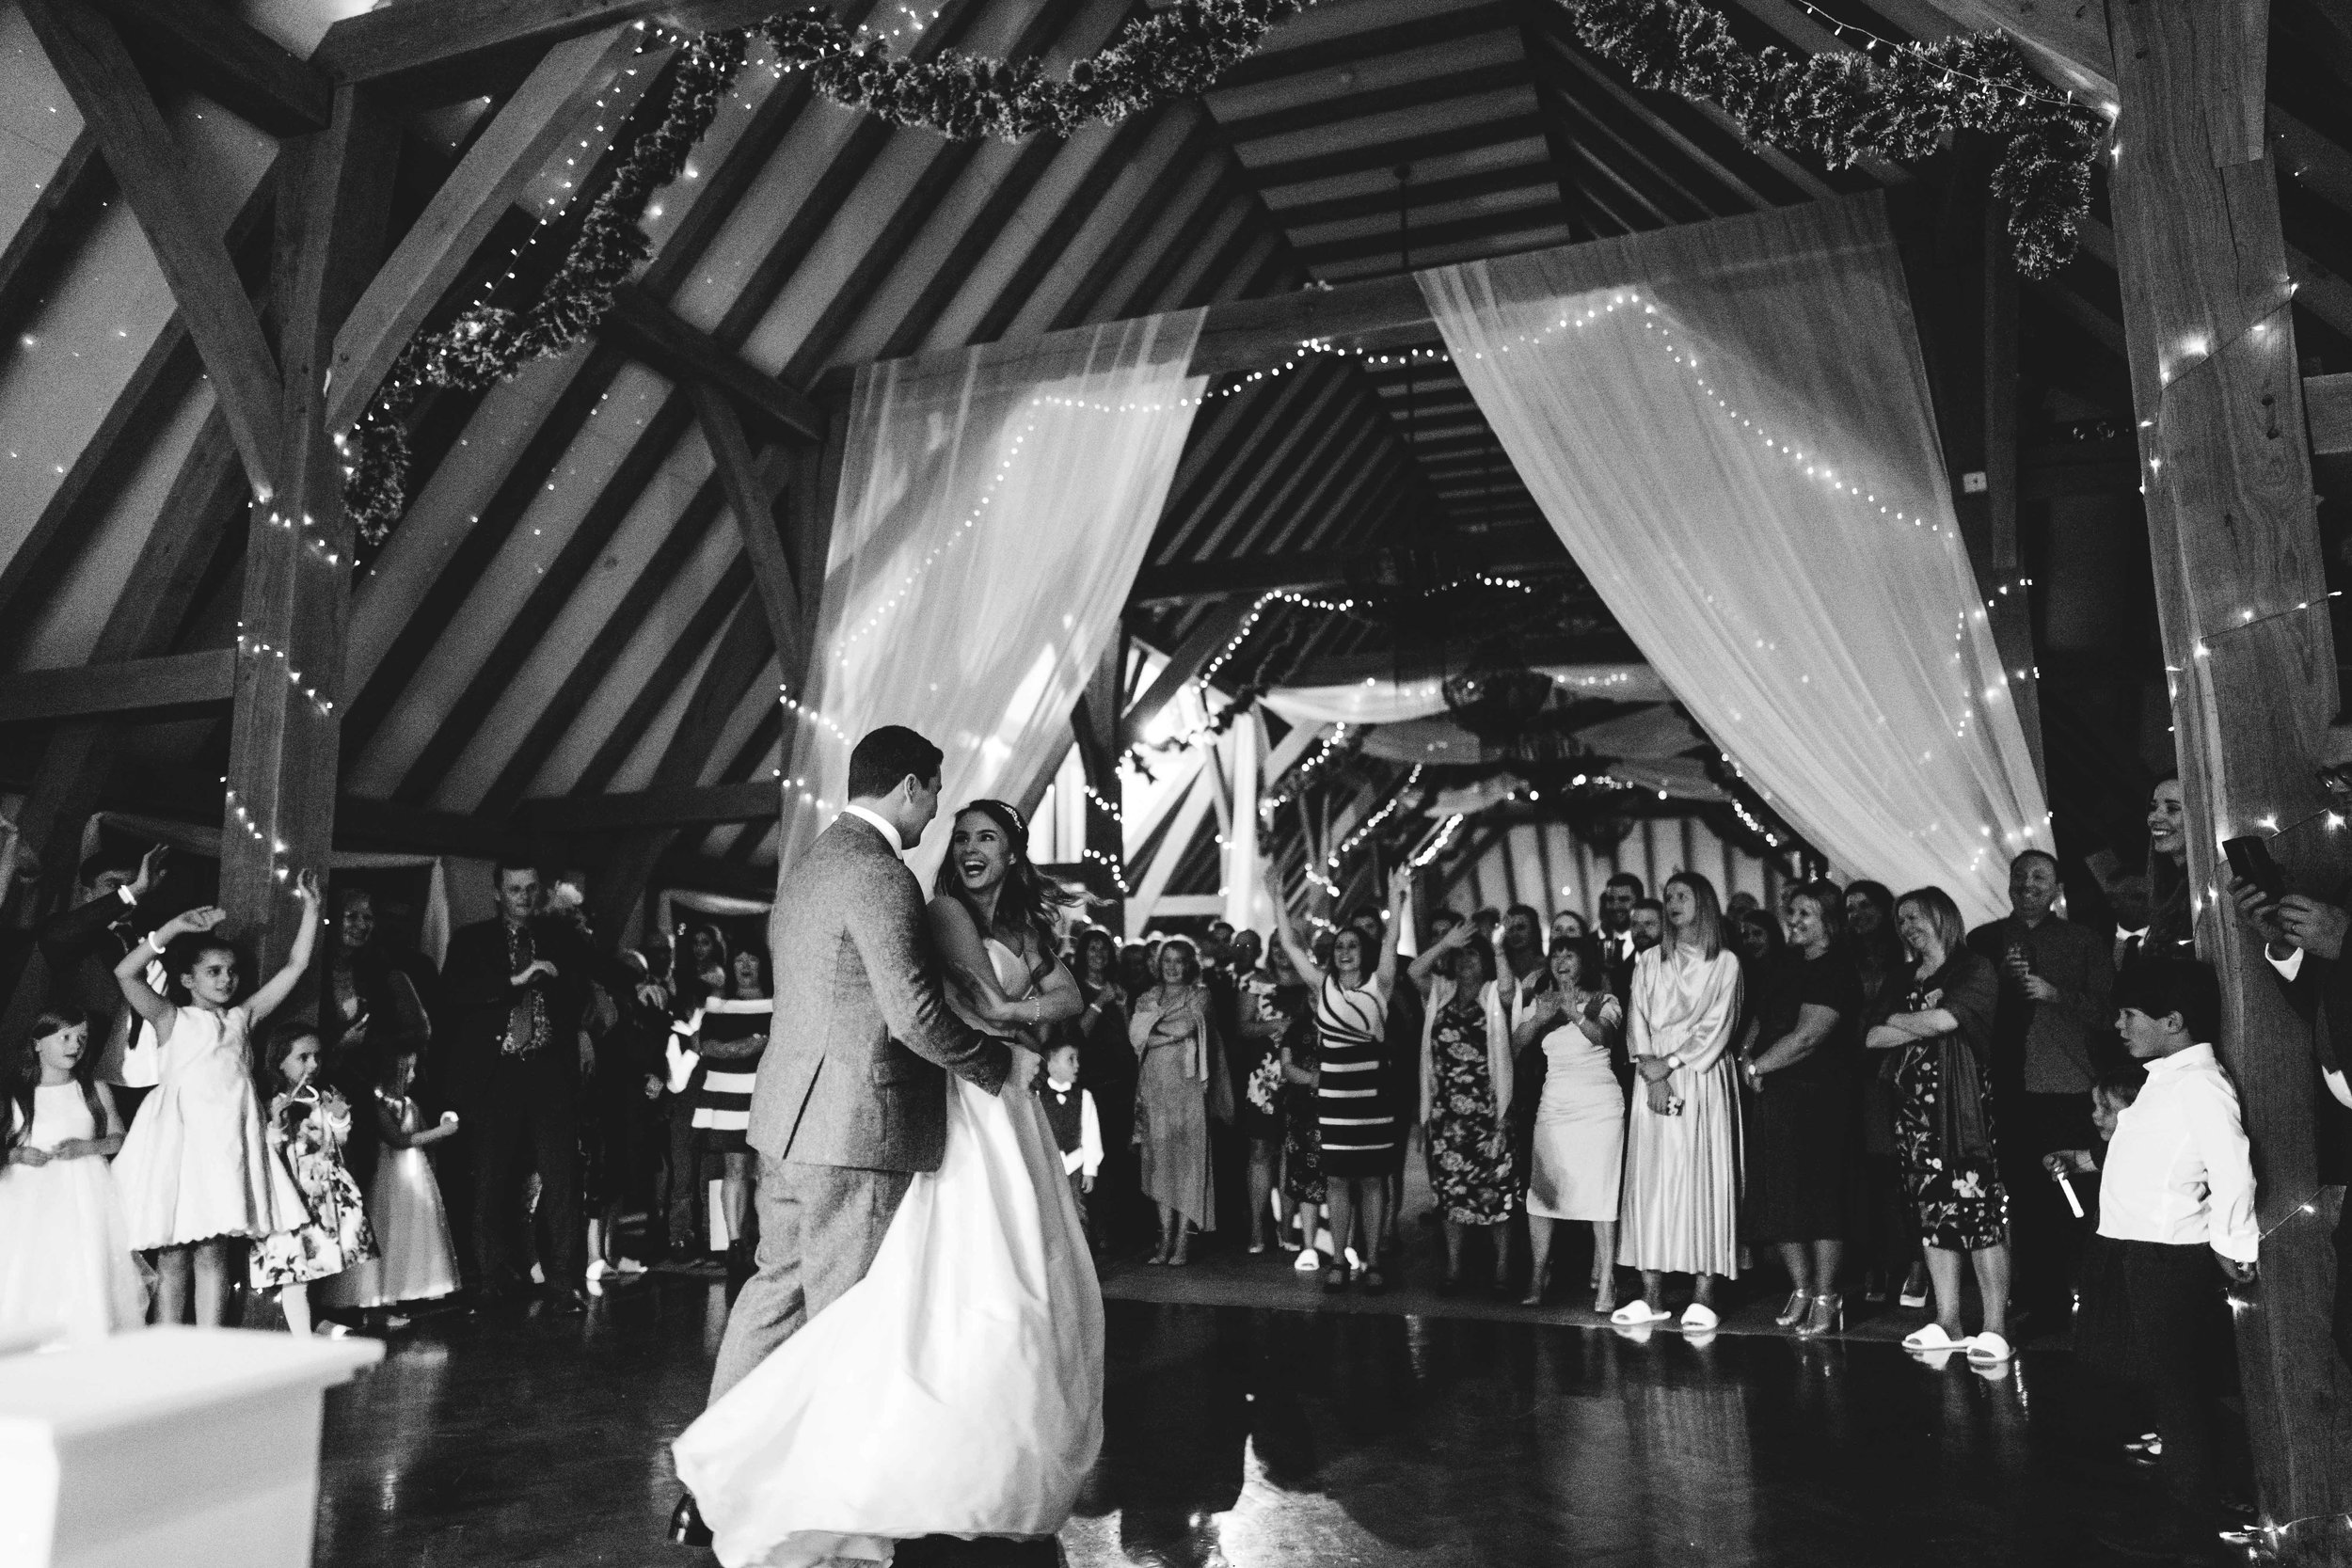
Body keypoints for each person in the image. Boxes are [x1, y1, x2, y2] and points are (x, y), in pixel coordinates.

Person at [673, 736, 1090, 1566]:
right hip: (856, 1130)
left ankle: (707, 1486)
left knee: (772, 1296)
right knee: (848, 1322)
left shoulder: (813, 863)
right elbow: (910, 1015)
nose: (937, 817)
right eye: (935, 798)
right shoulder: (881, 874)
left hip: (790, 1122)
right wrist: (993, 1065)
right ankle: (842, 1504)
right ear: (909, 787)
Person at [2073, 960, 2256, 1557]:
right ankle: (2183, 1516)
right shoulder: (2161, 1077)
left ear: (2172, 1021)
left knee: (2178, 1395)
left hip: (2168, 1257)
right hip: (2136, 1248)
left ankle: (2187, 1529)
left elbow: (2231, 1167)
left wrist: (2233, 1243)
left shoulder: (2200, 1083)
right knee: (2165, 1390)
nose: (2119, 1024)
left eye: (2131, 1014)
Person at [111, 876, 321, 1327]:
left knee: (213, 1252)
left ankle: (209, 1347)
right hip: (179, 1146)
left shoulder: (242, 1018)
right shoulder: (171, 1016)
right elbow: (125, 972)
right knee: (171, 1254)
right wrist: (171, 930)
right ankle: (168, 1345)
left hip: (224, 1147)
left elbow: (295, 966)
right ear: (187, 979)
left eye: (231, 972)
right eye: (214, 971)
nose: (226, 979)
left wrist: (310, 910)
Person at [1965, 848, 2115, 1328]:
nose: (2028, 884)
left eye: (2039, 877)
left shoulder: (2085, 941)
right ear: (2008, 883)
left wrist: (2056, 995)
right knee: (2022, 1196)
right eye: (2020, 876)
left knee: (2073, 1195)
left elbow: (2108, 1014)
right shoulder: (1984, 940)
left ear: (2056, 889)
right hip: (2004, 1087)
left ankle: (2091, 1298)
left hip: (2064, 1082)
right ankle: (2037, 1299)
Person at [1867, 886, 2013, 1363]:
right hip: (1913, 1115)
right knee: (1933, 1216)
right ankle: (1947, 1319)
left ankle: (1994, 1326)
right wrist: (1914, 1017)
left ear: (1943, 917)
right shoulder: (1902, 975)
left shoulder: (1973, 967)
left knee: (1979, 1216)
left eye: (1916, 917)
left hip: (1963, 1108)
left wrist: (1904, 1020)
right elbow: (1872, 1036)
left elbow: (1950, 1021)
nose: (1908, 927)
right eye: (1901, 920)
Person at [440, 862, 591, 1313]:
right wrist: (513, 982)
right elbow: (453, 995)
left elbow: (583, 992)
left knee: (562, 1179)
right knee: (490, 1179)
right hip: (497, 1071)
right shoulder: (472, 940)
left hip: (548, 1069)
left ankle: (564, 1284)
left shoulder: (562, 939)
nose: (523, 897)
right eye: (513, 889)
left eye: (530, 889)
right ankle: (490, 1281)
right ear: (496, 893)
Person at [1612, 872, 1743, 1331]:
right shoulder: (1648, 960)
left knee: (1701, 1175)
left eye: (1682, 896)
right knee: (1651, 1180)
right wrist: (1651, 1071)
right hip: (1652, 1076)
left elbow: (1717, 1026)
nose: (1672, 903)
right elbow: (1637, 1017)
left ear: (1703, 902)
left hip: (1699, 1076)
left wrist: (1668, 1063)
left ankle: (1705, 1293)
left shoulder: (1724, 962)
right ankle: (1650, 1293)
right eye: (1667, 897)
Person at [1277, 867, 1412, 1293]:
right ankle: (1338, 1259)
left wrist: (1397, 898)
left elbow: (1391, 941)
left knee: (1371, 1179)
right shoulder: (1322, 986)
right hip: (1333, 1094)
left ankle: (1372, 1261)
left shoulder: (1380, 986)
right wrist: (1276, 898)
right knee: (1336, 1179)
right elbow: (1289, 944)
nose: (1345, 951)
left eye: (1353, 945)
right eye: (1339, 946)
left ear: (1364, 951)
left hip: (1372, 1096)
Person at [1739, 880, 1861, 1336]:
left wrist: (1759, 1066)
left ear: (1828, 920)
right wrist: (1746, 1056)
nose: (1793, 920)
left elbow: (1810, 1035)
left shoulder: (1835, 969)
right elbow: (1759, 1016)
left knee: (1819, 1197)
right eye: (1792, 912)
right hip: (1773, 1091)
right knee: (1779, 1195)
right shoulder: (1785, 965)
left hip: (1818, 1096)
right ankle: (1802, 1287)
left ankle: (1829, 1294)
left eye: (1805, 913)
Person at [0, 1006, 145, 1342]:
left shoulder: (92, 1088)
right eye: (64, 1036)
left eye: (81, 1038)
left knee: (86, 1266)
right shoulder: (16, 1093)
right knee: (33, 1269)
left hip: (85, 1198)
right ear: (37, 1043)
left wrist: (86, 1148)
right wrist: (19, 1153)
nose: (74, 1045)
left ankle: (88, 1336)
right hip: (31, 1202)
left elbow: (118, 1139)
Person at [1512, 938, 1625, 1311]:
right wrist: (1541, 1017)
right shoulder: (1542, 1001)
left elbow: (1603, 1036)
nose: (1561, 961)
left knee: (1600, 1194)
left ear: (1584, 961)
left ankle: (1606, 1280)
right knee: (1542, 1194)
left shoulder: (1604, 1000)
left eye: (1569, 954)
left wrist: (1574, 1012)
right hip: (1555, 1105)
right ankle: (1536, 1275)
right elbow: (1514, 1047)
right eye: (1555, 955)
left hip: (1599, 1107)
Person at [1407, 917, 1515, 1295]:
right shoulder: (1440, 990)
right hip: (1448, 1111)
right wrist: (1445, 943)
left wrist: (1498, 948)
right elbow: (1413, 970)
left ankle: (1502, 1270)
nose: (1466, 960)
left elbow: (1508, 989)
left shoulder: (1491, 994)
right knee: (1451, 1192)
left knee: (1495, 1191)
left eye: (1474, 954)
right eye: (1461, 955)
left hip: (1488, 1110)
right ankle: (1453, 1269)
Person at [250, 1022, 378, 1337]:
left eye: (316, 1057)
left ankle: (313, 1325)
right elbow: (272, 1148)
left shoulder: (324, 1096)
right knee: (296, 1271)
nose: (312, 1065)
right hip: (292, 1193)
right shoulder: (272, 1101)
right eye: (303, 1057)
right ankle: (302, 1340)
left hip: (325, 1192)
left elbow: (341, 1138)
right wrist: (277, 1120)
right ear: (280, 1060)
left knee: (317, 1266)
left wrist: (338, 1115)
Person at [28, 844, 168, 1123]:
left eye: (133, 883)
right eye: (114, 885)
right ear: (86, 892)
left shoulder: (160, 933)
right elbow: (57, 937)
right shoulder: (70, 933)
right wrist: (133, 891)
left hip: (157, 1077)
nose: (126, 890)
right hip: (91, 1073)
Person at [324, 1046, 461, 1319]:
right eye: (404, 1071)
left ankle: (412, 1287)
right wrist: (441, 1130)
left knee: (415, 1228)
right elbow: (398, 1140)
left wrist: (443, 1127)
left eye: (413, 1070)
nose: (410, 1076)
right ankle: (381, 1295)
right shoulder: (378, 1104)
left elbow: (424, 1135)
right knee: (390, 1227)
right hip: (392, 1176)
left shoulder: (411, 1104)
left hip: (416, 1175)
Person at [1844, 879, 1923, 1307]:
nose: (1857, 915)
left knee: (1899, 1170)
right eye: (1850, 908)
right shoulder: (1845, 957)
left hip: (1893, 1069)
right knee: (1869, 1175)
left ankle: (1914, 1263)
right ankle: (1878, 1263)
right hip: (1852, 1073)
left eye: (1866, 906)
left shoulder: (1906, 956)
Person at [1130, 938, 1224, 1265]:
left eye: (1179, 960)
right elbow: (1136, 1036)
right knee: (1158, 1165)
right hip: (1153, 1089)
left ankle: (1183, 1240)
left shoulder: (1199, 995)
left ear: (1189, 964)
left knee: (1188, 1164)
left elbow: (1187, 1026)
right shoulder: (1146, 997)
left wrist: (1155, 1030)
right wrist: (1165, 1032)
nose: (1172, 966)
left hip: (1187, 1091)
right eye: (1166, 960)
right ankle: (1165, 1238)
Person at [687, 946, 774, 1279]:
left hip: (764, 1091)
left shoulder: (776, 1003)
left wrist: (749, 1046)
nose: (746, 964)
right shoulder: (718, 1005)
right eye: (739, 959)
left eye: (751, 958)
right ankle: (735, 1245)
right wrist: (745, 1046)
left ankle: (767, 1242)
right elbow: (704, 1045)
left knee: (768, 1168)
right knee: (735, 1166)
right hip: (727, 1091)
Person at [1069, 927, 1137, 1250]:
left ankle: (1112, 1228)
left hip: (1119, 1082)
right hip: (1089, 1082)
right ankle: (1089, 1228)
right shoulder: (1074, 990)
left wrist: (1122, 1006)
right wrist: (1099, 1002)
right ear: (1082, 954)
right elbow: (1077, 1035)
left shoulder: (1119, 988)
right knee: (1088, 1156)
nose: (1098, 955)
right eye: (1092, 949)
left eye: (1104, 949)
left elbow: (1130, 1039)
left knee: (1114, 1157)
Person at [1232, 946, 1295, 1254]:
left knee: (1292, 1151)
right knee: (1260, 1150)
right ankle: (1258, 1227)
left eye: (1289, 942)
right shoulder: (1254, 982)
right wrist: (1275, 1026)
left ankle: (1288, 1226)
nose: (1282, 951)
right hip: (1263, 1076)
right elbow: (1242, 1026)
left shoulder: (1310, 980)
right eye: (1277, 943)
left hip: (1299, 1074)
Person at [1041, 1040, 1102, 1243]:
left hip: (1075, 1164)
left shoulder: (1084, 1097)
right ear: (1051, 1064)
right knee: (1047, 1213)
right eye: (1070, 1060)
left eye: (1078, 1060)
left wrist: (1090, 1170)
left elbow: (1091, 1136)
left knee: (1078, 1212)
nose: (1077, 1065)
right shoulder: (1037, 1097)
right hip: (1046, 1164)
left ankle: (1082, 1267)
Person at [1597, 873, 1644, 998]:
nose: (1615, 906)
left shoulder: (1653, 942)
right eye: (1610, 900)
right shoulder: (1591, 943)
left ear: (1639, 901)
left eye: (1623, 900)